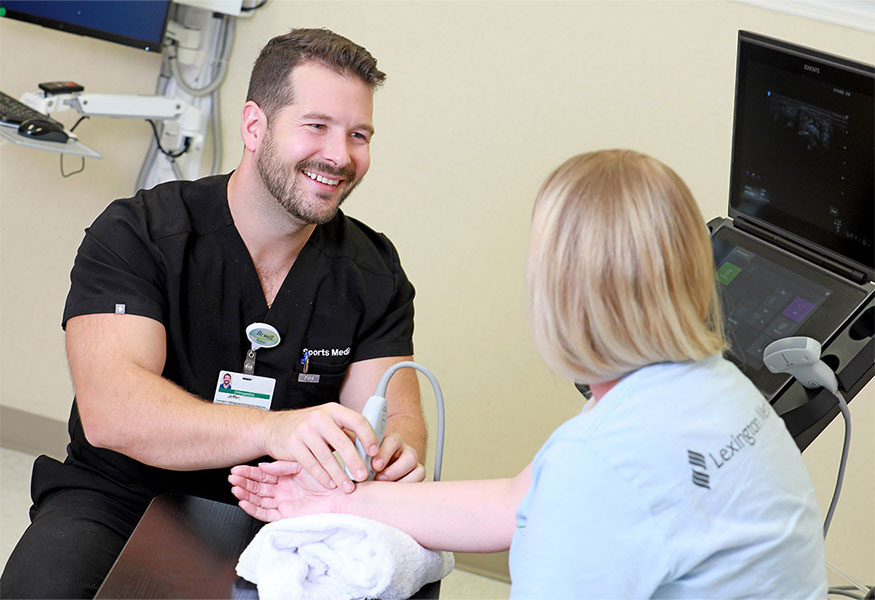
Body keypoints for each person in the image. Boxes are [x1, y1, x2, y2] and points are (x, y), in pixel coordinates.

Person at [229, 150, 828, 598]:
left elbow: (571, 490)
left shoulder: (602, 459)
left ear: (562, 292)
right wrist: (344, 502)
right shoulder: (718, 390)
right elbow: (514, 503)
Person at [1, 28, 427, 599]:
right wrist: (275, 429)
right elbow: (113, 413)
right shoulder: (141, 234)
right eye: (317, 126)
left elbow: (395, 417)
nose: (340, 155)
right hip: (121, 497)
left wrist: (396, 451)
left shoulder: (371, 272)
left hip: (285, 516)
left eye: (359, 135)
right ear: (255, 126)